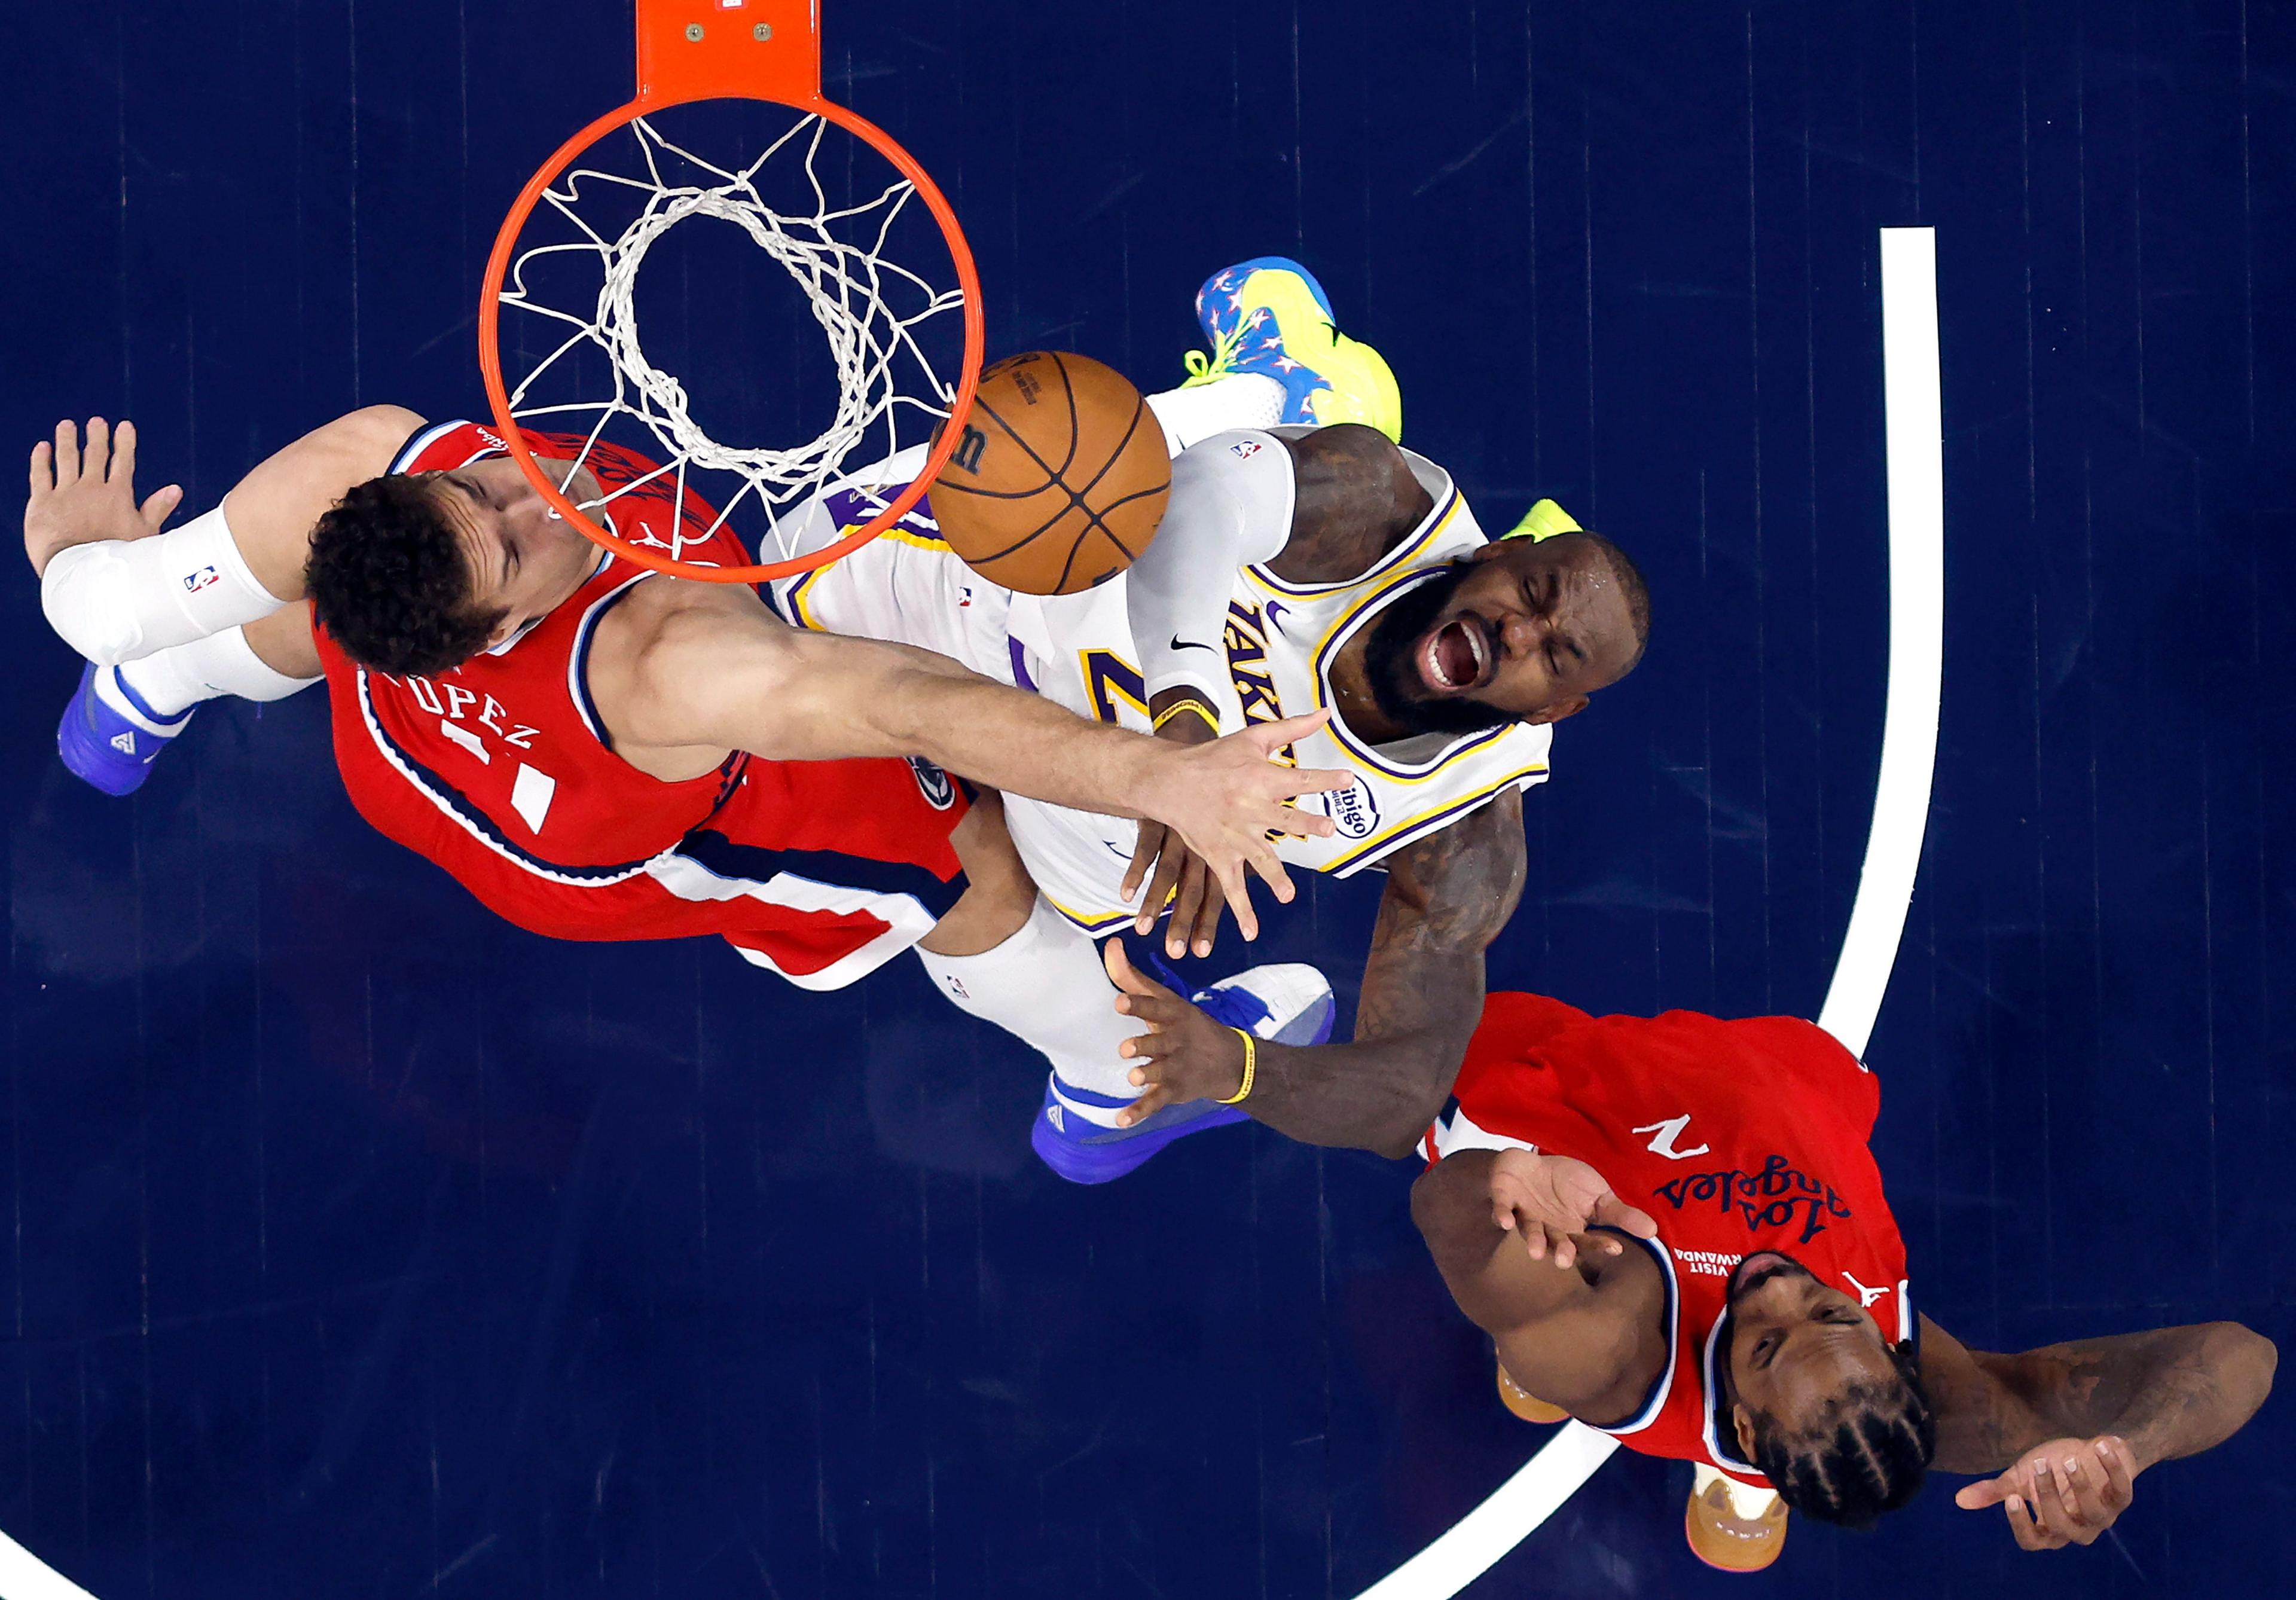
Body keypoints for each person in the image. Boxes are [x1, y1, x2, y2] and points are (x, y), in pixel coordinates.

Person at [25, 402, 1360, 1103]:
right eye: (510, 540)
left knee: (321, 603)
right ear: (499, 635)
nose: (531, 493)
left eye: (479, 480)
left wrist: (85, 569)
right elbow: (912, 704)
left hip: (394, 747)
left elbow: (97, 593)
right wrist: (1168, 779)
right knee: (956, 865)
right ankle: (1108, 1076)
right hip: (575, 846)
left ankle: (148, 692)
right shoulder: (671, 664)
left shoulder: (368, 474)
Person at [766, 258, 1650, 1181]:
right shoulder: (1381, 510)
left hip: (1079, 810)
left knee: (930, 869)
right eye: (1533, 591)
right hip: (1041, 583)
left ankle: (1108, 1077)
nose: (1516, 632)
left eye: (1552, 655)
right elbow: (1201, 501)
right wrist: (1186, 734)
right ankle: (1272, 392)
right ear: (1501, 551)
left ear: (1555, 708)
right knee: (797, 580)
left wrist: (1234, 1070)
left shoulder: (1466, 832)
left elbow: (1410, 1090)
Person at [1408, 991, 2277, 1570]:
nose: (1777, 1280)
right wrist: (2124, 1450)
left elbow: (1455, 1230)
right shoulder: (1931, 1399)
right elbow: (2243, 1354)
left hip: (1583, 1108)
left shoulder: (1615, 1351)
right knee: (1815, 1420)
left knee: (1532, 1328)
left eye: (1768, 1341)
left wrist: (1491, 1184)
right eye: (1834, 1312)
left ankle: (1664, 1443)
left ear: (1745, 1424)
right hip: (1774, 1081)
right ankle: (1756, 1483)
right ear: (1897, 1359)